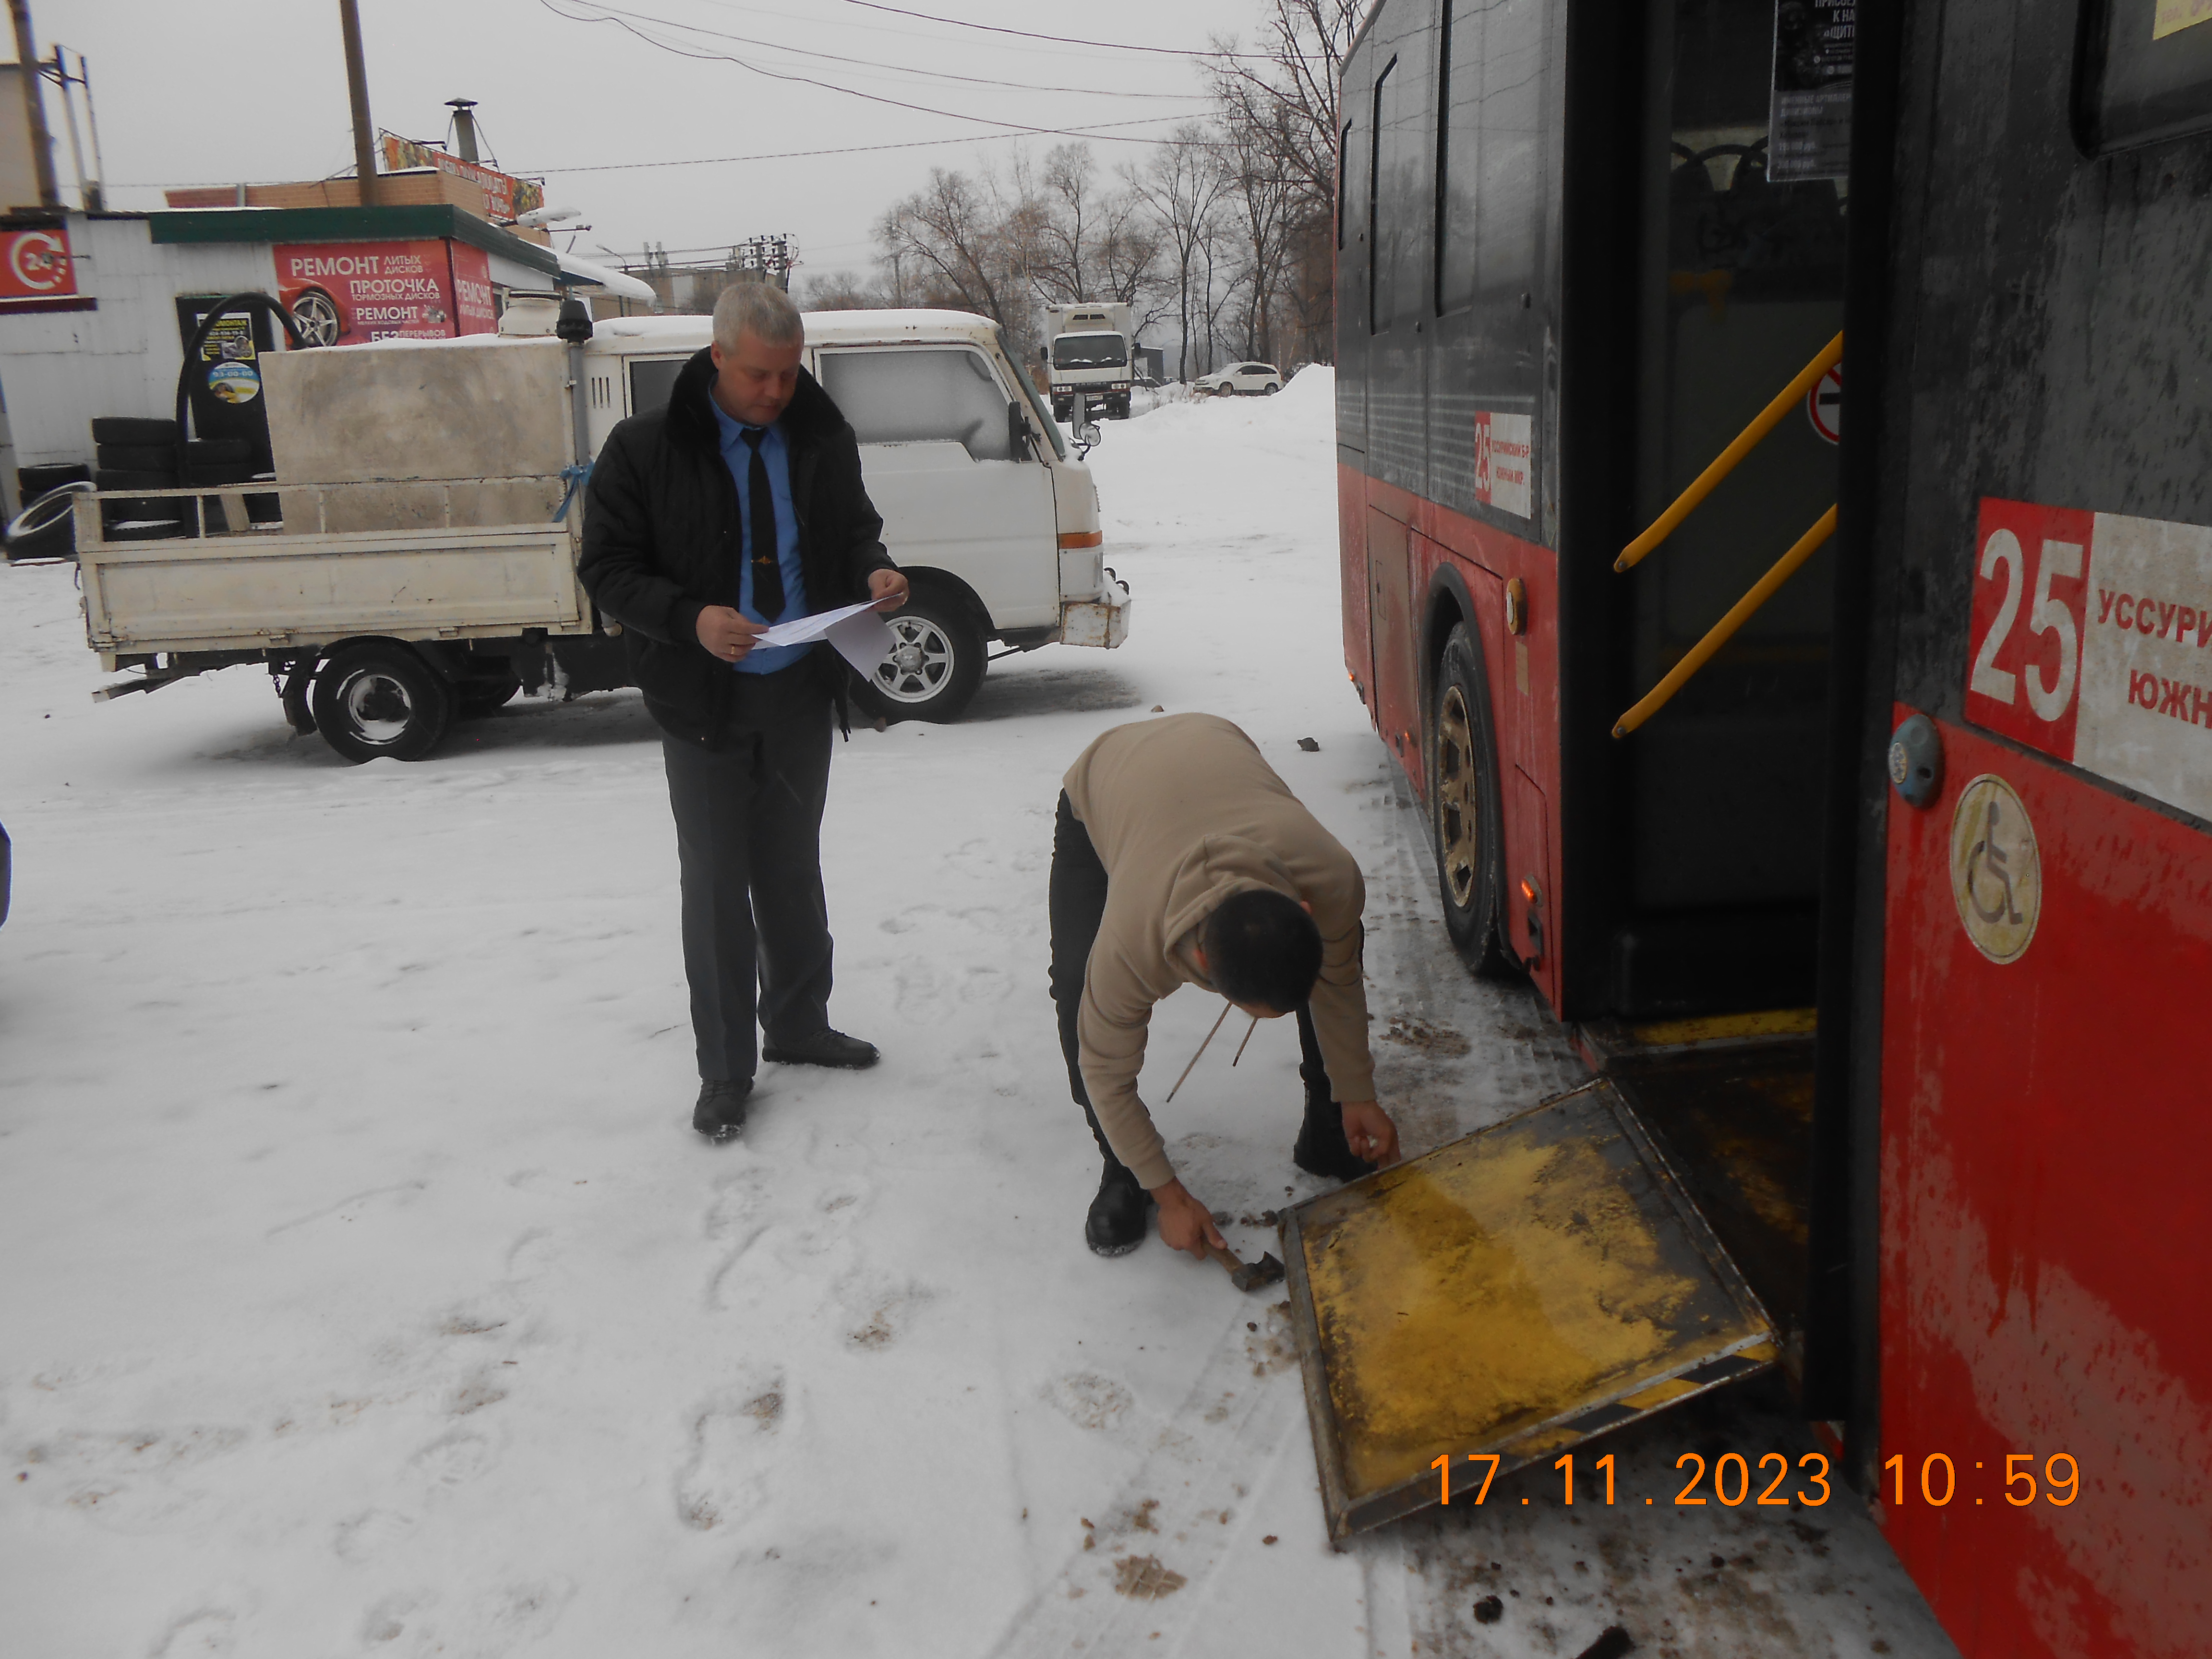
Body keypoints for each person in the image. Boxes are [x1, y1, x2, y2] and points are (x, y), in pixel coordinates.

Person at [580, 281, 910, 1142]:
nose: (774, 393)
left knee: (792, 869)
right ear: (717, 356)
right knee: (720, 885)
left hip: (800, 690)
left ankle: (798, 1023)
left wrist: (873, 569)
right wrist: (689, 617)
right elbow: (607, 569)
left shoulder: (818, 435)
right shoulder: (644, 448)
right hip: (702, 702)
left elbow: (853, 528)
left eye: (788, 375)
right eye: (760, 375)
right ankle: (726, 1069)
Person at [1049, 713, 1402, 1258]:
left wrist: (1355, 1091)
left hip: (1212, 746)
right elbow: (1105, 1070)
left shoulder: (1328, 875)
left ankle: (1329, 1125)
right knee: (1078, 988)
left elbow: (1338, 979)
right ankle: (1124, 1169)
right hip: (1104, 784)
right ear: (1200, 962)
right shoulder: (1133, 942)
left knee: (1328, 961)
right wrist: (1167, 1194)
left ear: (1303, 909)